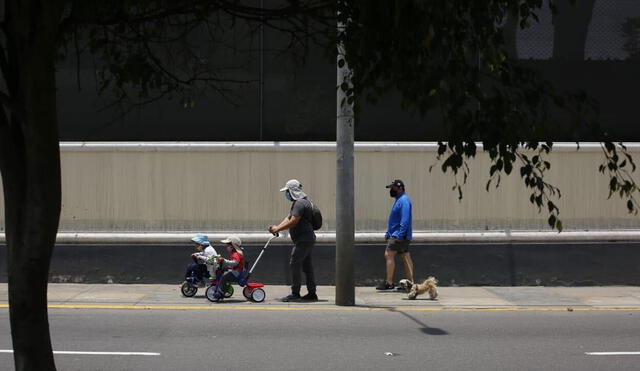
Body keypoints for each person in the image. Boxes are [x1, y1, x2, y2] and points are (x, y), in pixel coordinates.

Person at [268, 179, 318, 302]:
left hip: (304, 240)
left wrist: (278, 228)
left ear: (292, 191)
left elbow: (294, 221)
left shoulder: (300, 204)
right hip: (307, 239)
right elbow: (289, 217)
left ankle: (295, 293)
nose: (286, 194)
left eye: (287, 192)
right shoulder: (301, 203)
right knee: (307, 266)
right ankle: (312, 293)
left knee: (294, 263)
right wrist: (277, 228)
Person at [376, 179, 414, 290]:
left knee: (389, 254)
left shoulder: (404, 200)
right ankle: (410, 283)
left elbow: (405, 219)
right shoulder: (399, 200)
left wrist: (400, 235)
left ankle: (389, 282)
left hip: (398, 235)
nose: (391, 190)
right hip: (397, 234)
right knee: (405, 256)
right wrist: (388, 233)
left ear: (400, 188)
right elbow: (394, 220)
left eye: (393, 188)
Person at [211, 235, 244, 301]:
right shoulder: (233, 253)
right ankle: (222, 288)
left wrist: (224, 260)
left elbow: (235, 262)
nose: (227, 247)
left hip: (236, 272)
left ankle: (220, 293)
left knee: (224, 277)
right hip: (234, 271)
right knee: (223, 272)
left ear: (232, 246)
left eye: (227, 246)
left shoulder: (236, 254)